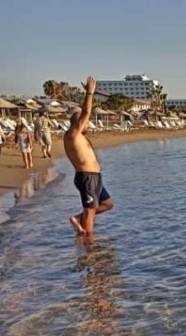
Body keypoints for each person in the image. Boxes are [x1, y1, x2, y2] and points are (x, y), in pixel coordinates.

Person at [65, 76, 115, 236]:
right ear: (78, 122)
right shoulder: (73, 134)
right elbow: (86, 112)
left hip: (94, 178)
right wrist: (89, 93)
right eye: (85, 122)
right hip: (87, 178)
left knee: (107, 204)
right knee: (89, 213)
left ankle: (77, 219)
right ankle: (89, 248)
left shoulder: (80, 137)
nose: (88, 124)